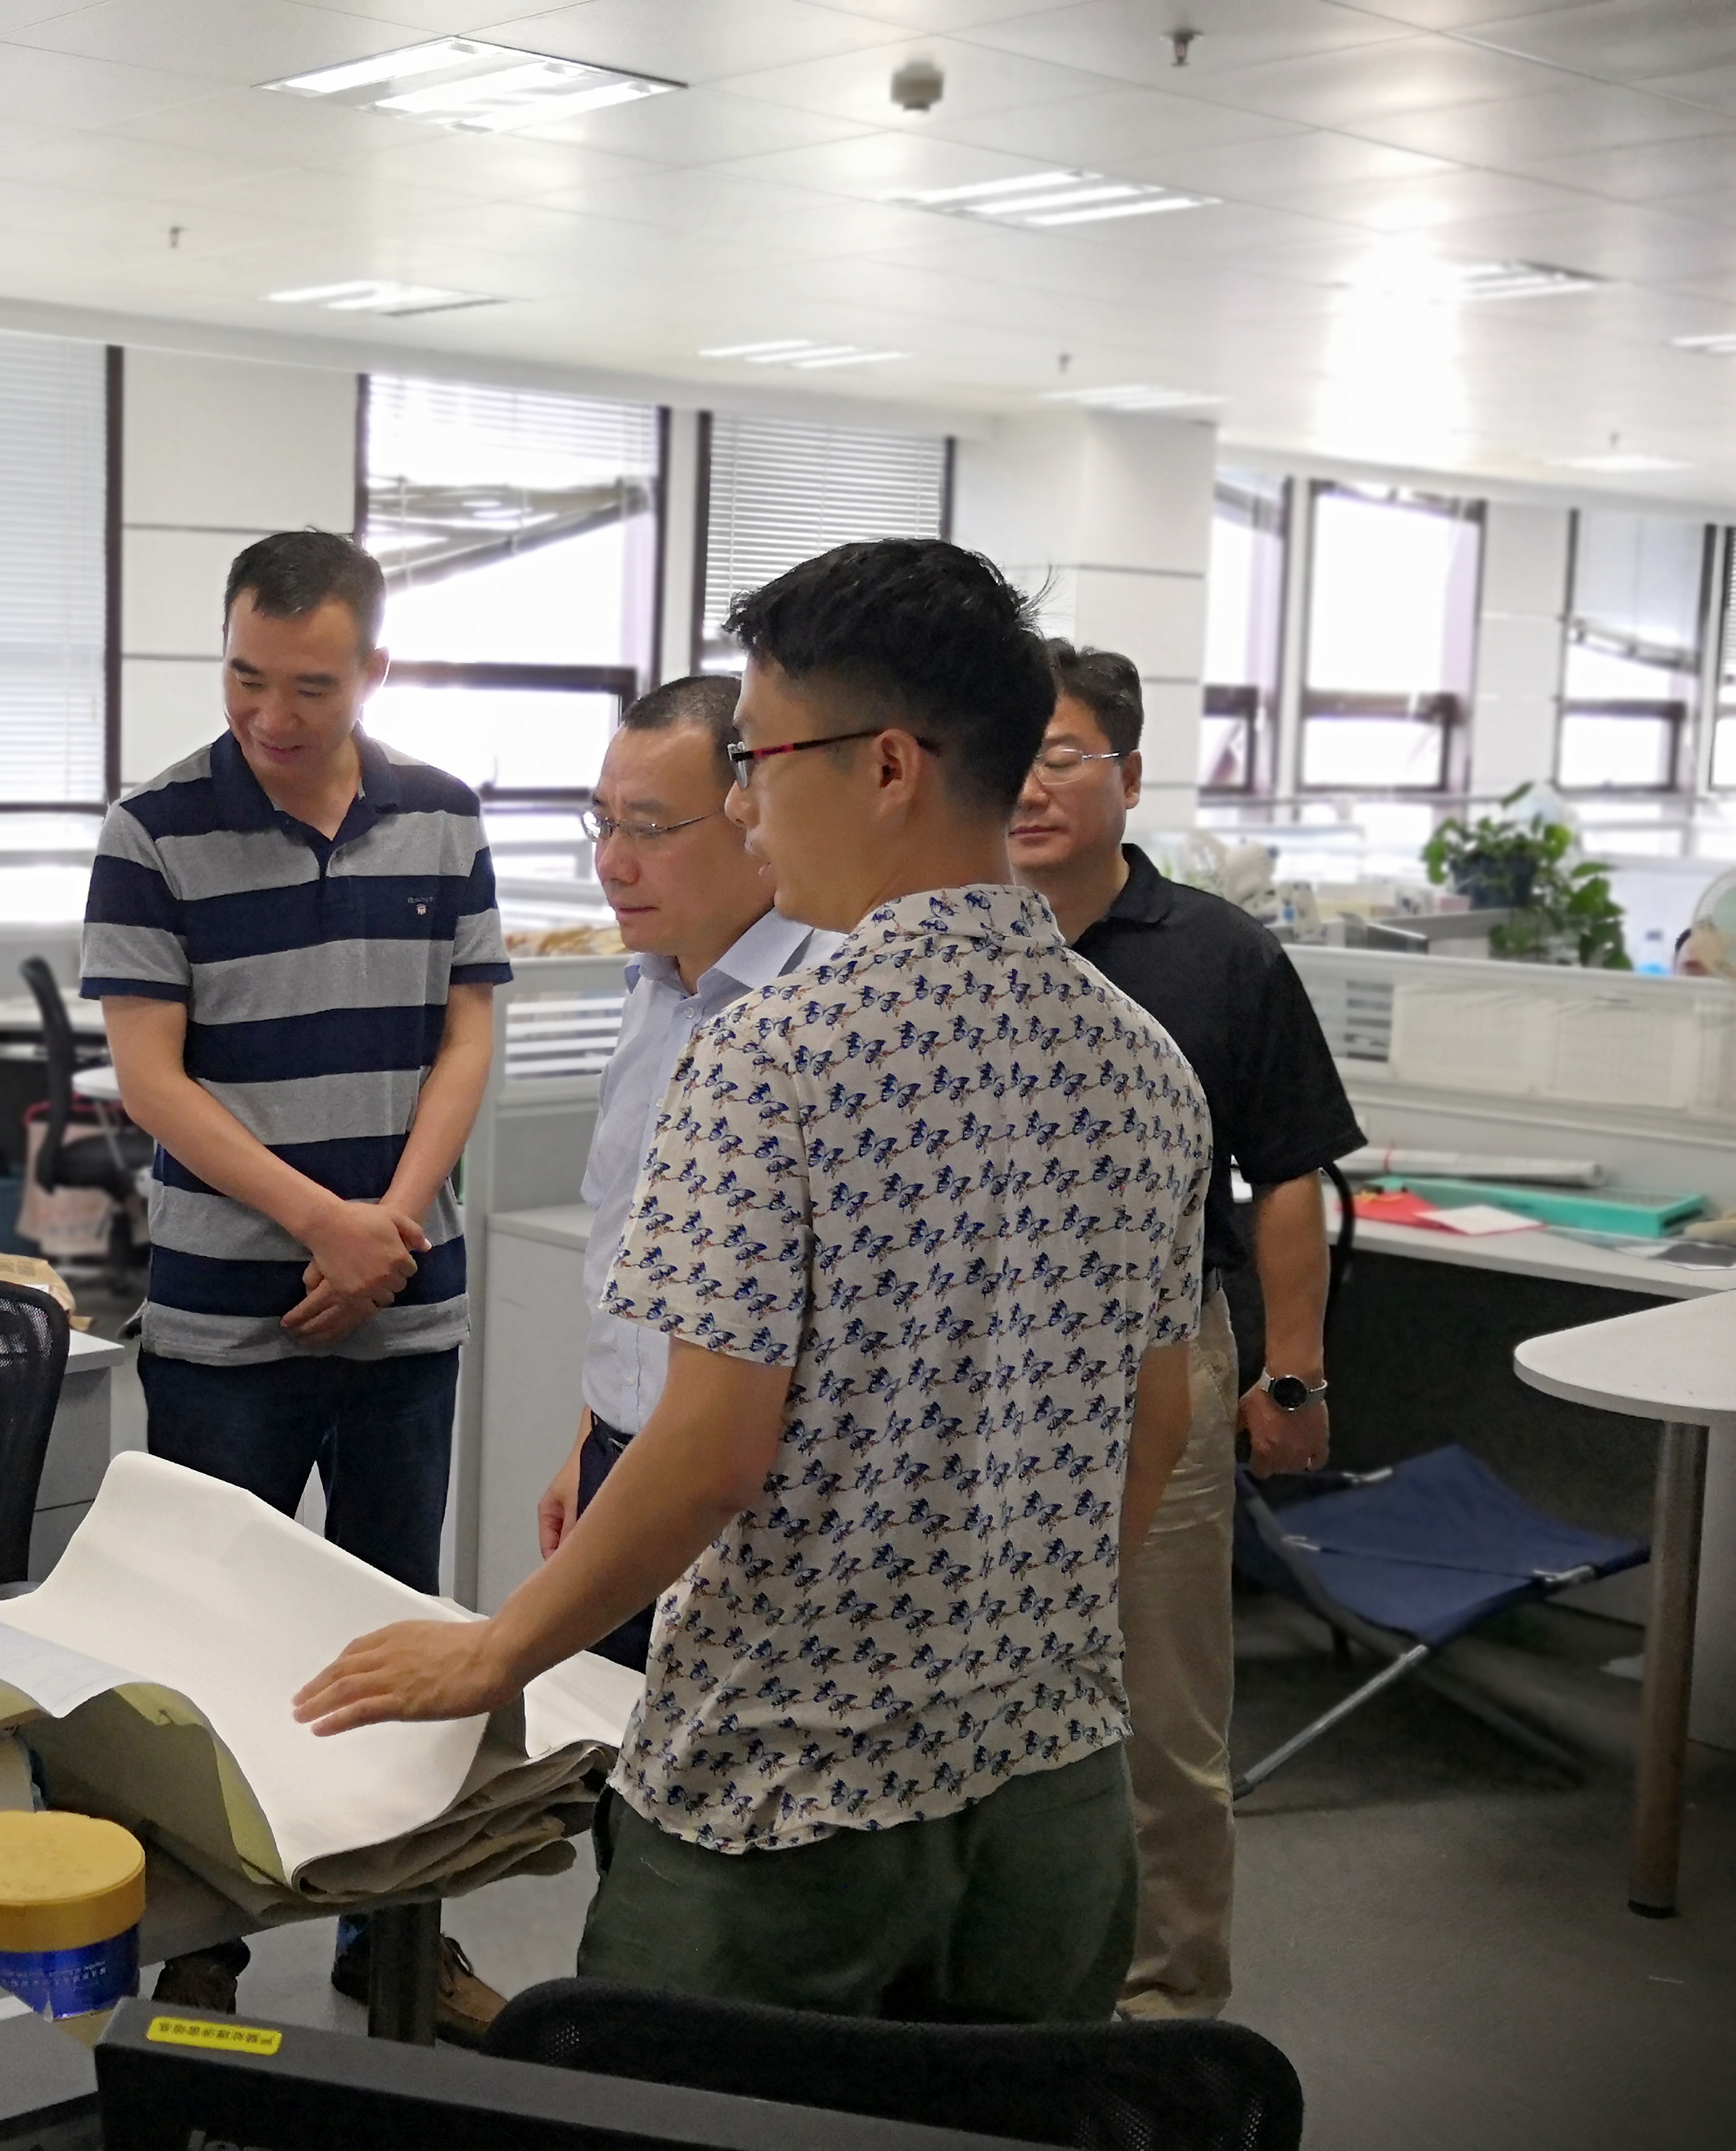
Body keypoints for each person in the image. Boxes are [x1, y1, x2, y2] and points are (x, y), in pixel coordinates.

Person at [293, 538, 1211, 2028]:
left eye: (763, 761)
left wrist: (494, 1649)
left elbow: (715, 1451)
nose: (744, 805)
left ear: (890, 766)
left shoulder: (773, 1053)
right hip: (1052, 1791)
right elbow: (1153, 1423)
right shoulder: (1146, 1063)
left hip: (788, 1801)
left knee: (693, 2119)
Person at [82, 528, 509, 2035]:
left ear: (375, 670)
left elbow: (466, 1035)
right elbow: (152, 1076)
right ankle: (203, 1944)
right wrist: (326, 1222)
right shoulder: (154, 830)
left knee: (403, 1637)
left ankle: (394, 1934)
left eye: (310, 686)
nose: (271, 713)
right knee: (207, 1641)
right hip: (224, 1318)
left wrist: (383, 1226)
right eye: (246, 676)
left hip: (407, 1304)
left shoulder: (443, 817)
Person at [1012, 641, 1365, 2020]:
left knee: (1161, 1717)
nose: (1032, 786)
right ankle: (1002, 2005)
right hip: (980, 1365)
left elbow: (1286, 1178)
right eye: (1013, 754)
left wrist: (1293, 1374)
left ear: (1130, 775)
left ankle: (1164, 2017)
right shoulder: (946, 937)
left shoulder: (1220, 954)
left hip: (1160, 1353)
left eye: (1064, 756)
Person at [541, 673, 833, 1671]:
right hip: (620, 1465)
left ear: (754, 816)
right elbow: (625, 1245)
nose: (612, 863)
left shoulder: (829, 1015)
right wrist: (595, 1434)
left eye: (652, 828)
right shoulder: (655, 990)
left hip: (755, 1504)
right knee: (601, 1742)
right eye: (603, 822)